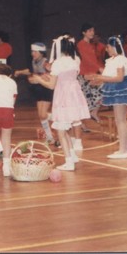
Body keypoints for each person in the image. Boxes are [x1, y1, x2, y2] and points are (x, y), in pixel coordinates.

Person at [31, 36, 89, 171]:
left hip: (63, 96)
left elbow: (51, 85)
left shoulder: (58, 63)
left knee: (61, 131)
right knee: (64, 128)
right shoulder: (74, 60)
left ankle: (68, 161)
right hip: (74, 96)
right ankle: (72, 156)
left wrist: (39, 80)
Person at [87, 36, 127, 159]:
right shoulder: (112, 60)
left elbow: (119, 78)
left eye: (108, 47)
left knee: (120, 120)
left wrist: (100, 78)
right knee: (121, 120)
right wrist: (97, 80)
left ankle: (123, 150)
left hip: (119, 90)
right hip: (116, 89)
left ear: (114, 47)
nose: (106, 49)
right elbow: (108, 77)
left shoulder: (120, 59)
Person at [13, 42, 56, 145]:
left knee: (43, 114)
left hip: (46, 89)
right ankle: (50, 137)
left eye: (35, 51)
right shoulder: (34, 61)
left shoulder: (46, 63)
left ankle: (59, 117)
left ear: (41, 52)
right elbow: (31, 71)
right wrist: (20, 72)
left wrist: (40, 78)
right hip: (38, 90)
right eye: (32, 51)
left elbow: (51, 75)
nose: (33, 53)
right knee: (41, 115)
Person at [0, 64, 17, 177]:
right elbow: (14, 98)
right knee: (6, 139)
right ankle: (6, 168)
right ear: (9, 74)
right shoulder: (12, 82)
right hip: (8, 110)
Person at [76, 23, 104, 127]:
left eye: (93, 30)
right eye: (90, 31)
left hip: (92, 74)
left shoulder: (90, 45)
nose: (92, 33)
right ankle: (80, 122)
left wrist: (100, 68)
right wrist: (99, 68)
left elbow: (94, 60)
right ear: (84, 32)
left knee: (103, 91)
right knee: (84, 100)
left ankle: (93, 112)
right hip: (84, 75)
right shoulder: (80, 44)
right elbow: (87, 60)